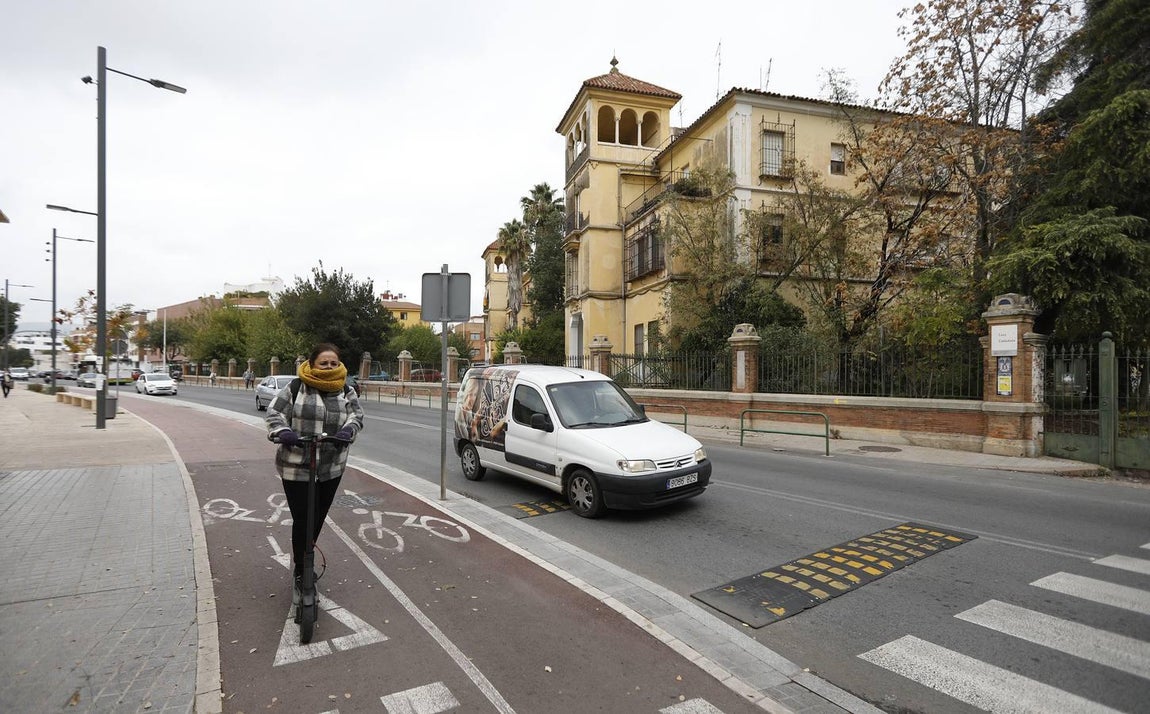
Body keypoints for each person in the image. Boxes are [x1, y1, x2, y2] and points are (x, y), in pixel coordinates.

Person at [265, 343, 364, 604]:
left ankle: (304, 560)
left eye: (333, 363)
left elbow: (356, 416)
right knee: (303, 519)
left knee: (317, 517)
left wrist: (348, 431)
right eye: (324, 363)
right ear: (312, 364)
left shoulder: (346, 390)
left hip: (331, 466)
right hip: (296, 464)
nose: (329, 367)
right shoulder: (296, 387)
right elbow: (275, 413)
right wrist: (283, 432)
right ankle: (301, 570)